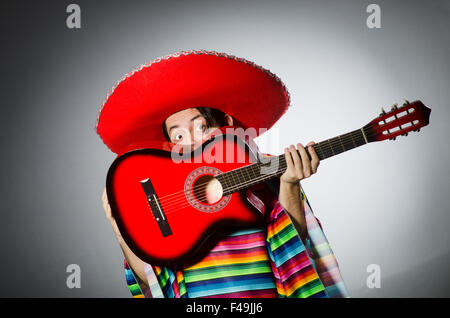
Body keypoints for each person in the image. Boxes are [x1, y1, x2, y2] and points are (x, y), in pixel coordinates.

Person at [96, 50, 349, 298]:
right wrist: (120, 232)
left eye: (202, 127)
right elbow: (152, 280)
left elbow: (294, 255)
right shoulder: (164, 194)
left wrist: (290, 183)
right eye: (179, 136)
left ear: (226, 124)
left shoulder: (267, 171)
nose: (193, 142)